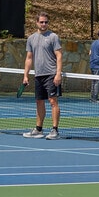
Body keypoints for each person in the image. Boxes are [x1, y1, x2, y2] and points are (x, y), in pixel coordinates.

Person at [22, 12, 63, 140]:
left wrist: (58, 74)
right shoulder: (31, 39)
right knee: (39, 101)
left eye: (46, 22)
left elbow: (59, 55)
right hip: (39, 75)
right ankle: (38, 129)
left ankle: (55, 130)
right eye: (41, 22)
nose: (44, 24)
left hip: (51, 74)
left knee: (52, 101)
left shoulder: (53, 37)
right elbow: (29, 58)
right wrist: (26, 75)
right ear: (37, 23)